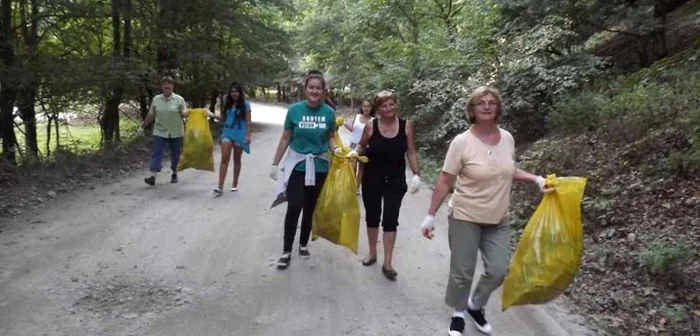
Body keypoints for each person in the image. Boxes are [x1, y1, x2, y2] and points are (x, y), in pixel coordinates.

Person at [419, 86, 552, 335]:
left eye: (492, 102)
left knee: (499, 269)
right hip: (465, 216)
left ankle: (475, 305)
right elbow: (445, 181)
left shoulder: (508, 138)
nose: (487, 106)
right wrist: (429, 216)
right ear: (472, 109)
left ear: (498, 108)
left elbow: (508, 170)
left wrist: (537, 179)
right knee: (463, 271)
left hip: (498, 217)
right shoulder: (461, 143)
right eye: (481, 103)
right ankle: (458, 313)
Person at [270, 71, 340, 270]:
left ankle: (303, 244)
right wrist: (275, 163)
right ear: (305, 89)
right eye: (311, 87)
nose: (315, 91)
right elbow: (285, 138)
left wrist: (336, 150)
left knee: (310, 207)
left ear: (323, 90)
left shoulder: (329, 113)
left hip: (319, 167)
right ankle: (286, 250)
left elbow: (331, 137)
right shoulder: (294, 111)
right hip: (297, 166)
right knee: (294, 206)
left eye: (318, 88)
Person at [348, 90, 421, 281]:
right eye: (383, 105)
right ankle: (372, 253)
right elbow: (361, 145)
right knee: (372, 217)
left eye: (391, 104)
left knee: (390, 219)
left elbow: (411, 151)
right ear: (377, 109)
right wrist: (355, 154)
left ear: (396, 105)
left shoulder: (406, 126)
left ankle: (388, 263)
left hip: (395, 180)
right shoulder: (371, 126)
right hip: (372, 177)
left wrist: (416, 174)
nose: (388, 108)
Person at [140, 76, 206, 186]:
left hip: (176, 131)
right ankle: (153, 176)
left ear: (172, 87)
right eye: (164, 86)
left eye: (169, 86)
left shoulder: (179, 99)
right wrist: (142, 127)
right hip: (160, 131)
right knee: (157, 152)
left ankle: (174, 173)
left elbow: (185, 113)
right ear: (161, 87)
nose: (167, 87)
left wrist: (189, 113)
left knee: (175, 154)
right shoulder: (156, 99)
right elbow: (151, 114)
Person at [211, 82, 252, 196]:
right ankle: (220, 187)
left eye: (236, 91)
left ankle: (235, 183)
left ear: (240, 93)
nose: (234, 94)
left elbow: (248, 122)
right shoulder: (227, 104)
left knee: (237, 159)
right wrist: (210, 115)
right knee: (224, 158)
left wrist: (247, 135)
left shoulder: (245, 105)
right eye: (232, 91)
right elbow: (222, 118)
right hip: (227, 132)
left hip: (240, 133)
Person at [343, 100, 374, 194]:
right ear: (361, 107)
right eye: (364, 106)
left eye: (368, 106)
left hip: (365, 146)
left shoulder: (373, 120)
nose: (366, 108)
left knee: (361, 167)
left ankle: (357, 187)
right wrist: (344, 124)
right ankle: (352, 184)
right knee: (353, 166)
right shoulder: (357, 117)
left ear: (371, 108)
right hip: (353, 144)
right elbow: (353, 129)